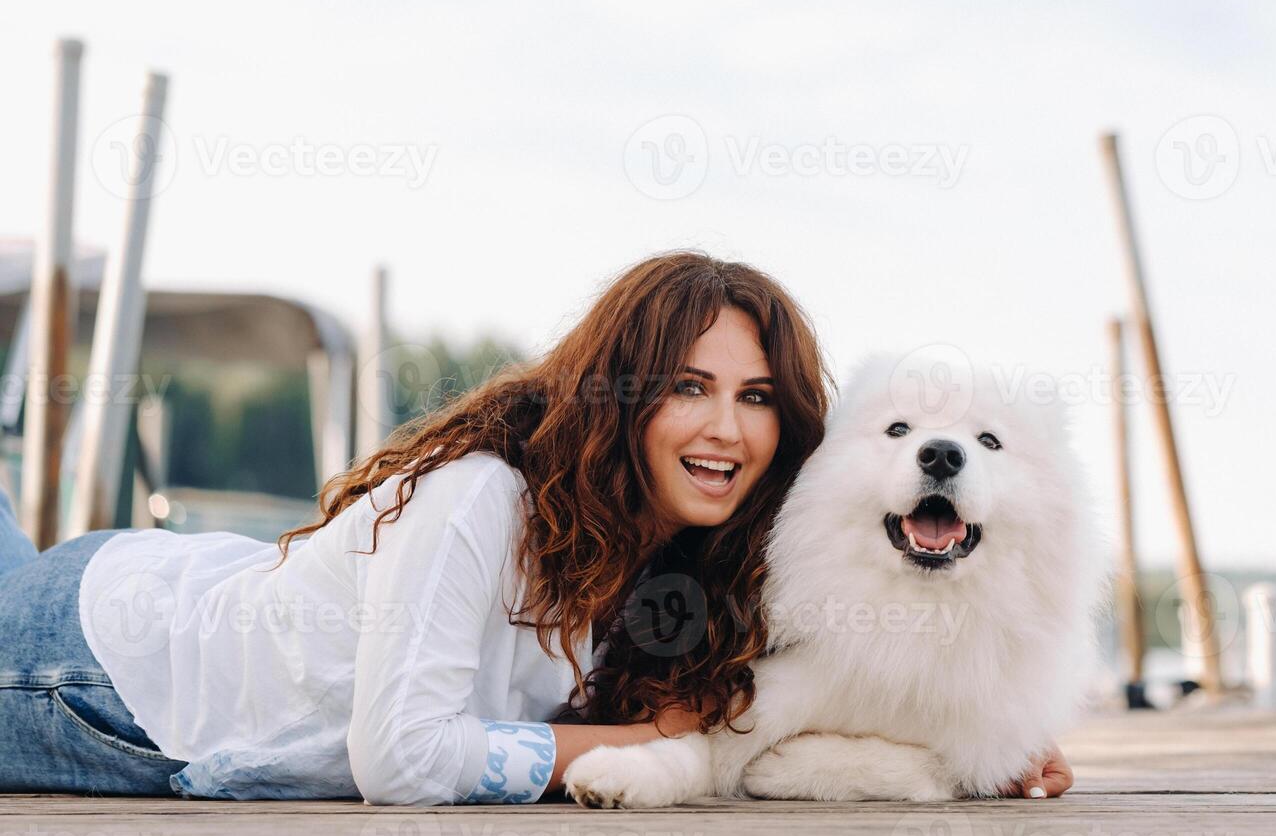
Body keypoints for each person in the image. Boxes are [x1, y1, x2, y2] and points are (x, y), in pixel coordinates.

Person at [0, 250, 1071, 804]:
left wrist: (987, 749)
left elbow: (801, 697)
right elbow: (403, 764)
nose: (725, 427)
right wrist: (637, 743)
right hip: (87, 674)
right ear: (621, 391)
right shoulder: (484, 495)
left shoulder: (698, 554)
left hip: (179, 591)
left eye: (755, 398)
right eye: (689, 386)